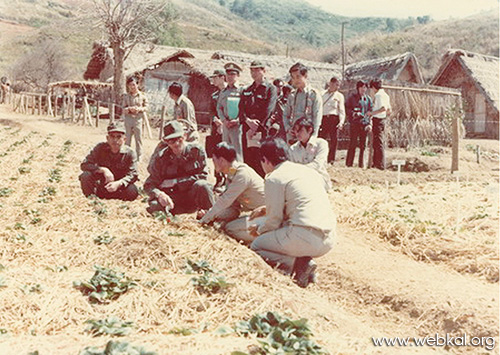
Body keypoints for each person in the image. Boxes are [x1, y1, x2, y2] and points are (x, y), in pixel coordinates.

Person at [248, 138, 336, 288]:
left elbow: (273, 221)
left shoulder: (273, 177)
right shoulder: (306, 171)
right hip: (329, 238)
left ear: (266, 161)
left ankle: (298, 264)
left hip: (305, 237)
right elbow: (300, 201)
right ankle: (304, 263)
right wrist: (265, 209)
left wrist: (259, 231)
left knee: (256, 245)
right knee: (284, 232)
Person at [198, 142, 265, 243]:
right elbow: (233, 208)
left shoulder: (241, 175)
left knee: (230, 228)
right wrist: (211, 215)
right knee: (225, 224)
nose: (212, 163)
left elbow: (225, 201)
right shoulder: (233, 171)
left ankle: (266, 237)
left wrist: (204, 220)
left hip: (269, 215)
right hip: (260, 213)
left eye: (214, 160)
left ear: (221, 161)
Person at [144, 121, 214, 215]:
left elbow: (203, 176)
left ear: (185, 136)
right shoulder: (161, 157)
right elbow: (149, 185)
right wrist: (159, 194)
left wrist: (175, 182)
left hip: (192, 197)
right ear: (166, 141)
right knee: (154, 205)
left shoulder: (197, 151)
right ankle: (173, 213)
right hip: (173, 199)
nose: (176, 143)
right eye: (171, 141)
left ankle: (209, 215)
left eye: (179, 139)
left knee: (202, 185)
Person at [79, 121, 139, 201]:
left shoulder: (130, 153)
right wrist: (103, 170)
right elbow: (84, 165)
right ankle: (92, 199)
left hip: (119, 187)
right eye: (112, 136)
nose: (115, 140)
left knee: (132, 191)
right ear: (107, 138)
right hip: (102, 185)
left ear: (124, 139)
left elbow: (133, 174)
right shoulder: (100, 148)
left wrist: (118, 183)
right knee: (85, 175)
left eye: (118, 137)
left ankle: (118, 199)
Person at [239, 60, 277, 177]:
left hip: (262, 131)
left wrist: (255, 127)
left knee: (261, 161)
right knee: (248, 161)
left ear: (263, 71)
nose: (254, 73)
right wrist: (247, 121)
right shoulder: (247, 90)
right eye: (252, 70)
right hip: (247, 131)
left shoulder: (270, 89)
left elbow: (268, 110)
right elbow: (240, 109)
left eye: (257, 70)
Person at [283, 63, 322, 144]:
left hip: (307, 137)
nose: (295, 80)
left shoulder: (314, 94)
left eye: (298, 77)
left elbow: (317, 116)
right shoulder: (292, 95)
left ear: (305, 76)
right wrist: (288, 128)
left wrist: (314, 137)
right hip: (293, 136)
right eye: (293, 78)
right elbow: (285, 115)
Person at [289, 117, 331, 191]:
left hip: (319, 178)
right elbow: (291, 168)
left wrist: (299, 170)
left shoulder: (321, 144)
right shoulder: (293, 148)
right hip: (299, 180)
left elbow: (317, 165)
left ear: (310, 130)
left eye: (300, 130)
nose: (297, 133)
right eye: (296, 130)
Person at [217, 62, 243, 161]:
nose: (230, 77)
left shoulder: (242, 90)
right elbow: (219, 107)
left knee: (237, 153)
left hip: (237, 125)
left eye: (233, 74)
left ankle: (238, 174)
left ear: (238, 76)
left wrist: (237, 120)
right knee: (225, 151)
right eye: (228, 74)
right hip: (226, 125)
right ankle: (227, 174)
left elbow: (245, 109)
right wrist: (224, 120)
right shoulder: (223, 91)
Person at [345, 80, 373, 168]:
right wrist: (354, 113)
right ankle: (349, 164)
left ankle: (361, 165)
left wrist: (369, 123)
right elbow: (347, 108)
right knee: (352, 143)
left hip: (364, 124)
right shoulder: (352, 97)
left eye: (365, 87)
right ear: (358, 88)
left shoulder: (368, 99)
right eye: (361, 87)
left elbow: (370, 112)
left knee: (363, 145)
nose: (363, 89)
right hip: (355, 123)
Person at [320, 77, 345, 164]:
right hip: (323, 119)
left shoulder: (339, 96)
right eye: (336, 84)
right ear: (331, 83)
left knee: (334, 140)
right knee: (321, 139)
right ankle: (321, 158)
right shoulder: (322, 94)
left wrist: (341, 122)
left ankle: (331, 160)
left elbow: (341, 110)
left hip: (334, 119)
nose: (338, 87)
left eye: (339, 85)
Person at [367, 79, 391, 170]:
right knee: (377, 142)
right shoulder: (386, 95)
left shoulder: (379, 95)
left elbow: (383, 108)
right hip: (382, 119)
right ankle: (376, 163)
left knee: (378, 143)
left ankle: (380, 165)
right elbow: (389, 109)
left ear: (373, 87)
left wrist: (372, 113)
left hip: (378, 120)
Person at [122, 76, 148, 161]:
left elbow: (146, 107)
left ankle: (139, 155)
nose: (132, 87)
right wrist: (128, 109)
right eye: (130, 85)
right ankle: (126, 155)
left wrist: (139, 109)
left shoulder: (142, 96)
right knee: (127, 138)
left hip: (138, 120)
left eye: (133, 85)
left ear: (137, 84)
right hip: (128, 119)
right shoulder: (126, 96)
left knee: (138, 139)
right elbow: (123, 108)